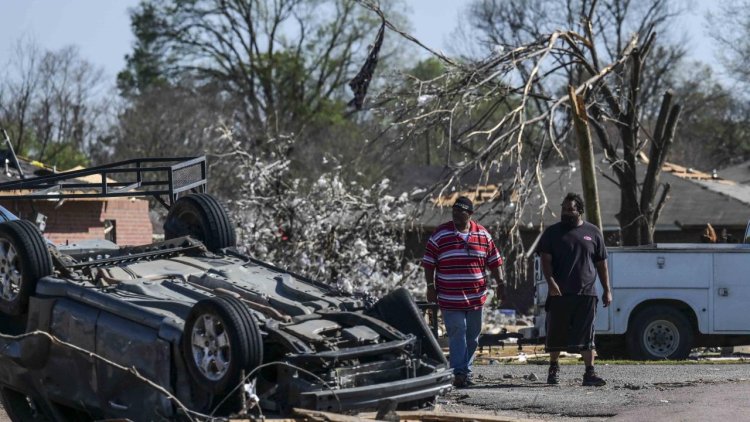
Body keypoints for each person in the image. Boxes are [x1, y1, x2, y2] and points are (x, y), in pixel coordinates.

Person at [422, 196, 505, 388]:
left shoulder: (483, 235)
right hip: (450, 296)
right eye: (454, 210)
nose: (456, 214)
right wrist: (430, 286)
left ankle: (465, 370)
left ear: (470, 213)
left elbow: (495, 261)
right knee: (457, 331)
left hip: (476, 296)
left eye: (461, 211)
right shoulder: (441, 234)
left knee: (473, 335)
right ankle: (459, 373)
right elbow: (428, 262)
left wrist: (501, 283)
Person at [536, 192, 612, 387]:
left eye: (570, 209)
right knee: (556, 334)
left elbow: (602, 264)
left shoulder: (593, 232)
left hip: (586, 293)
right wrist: (551, 283)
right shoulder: (552, 233)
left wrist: (607, 290)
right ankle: (553, 369)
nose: (566, 213)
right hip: (559, 293)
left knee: (587, 335)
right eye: (563, 209)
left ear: (579, 210)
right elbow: (545, 261)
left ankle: (589, 373)